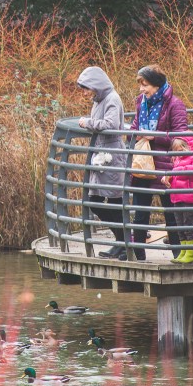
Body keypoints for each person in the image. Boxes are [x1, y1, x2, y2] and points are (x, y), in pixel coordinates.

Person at [129, 65, 188, 260]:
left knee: (170, 213)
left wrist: (154, 137)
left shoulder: (174, 104)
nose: (141, 90)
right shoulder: (141, 102)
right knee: (140, 212)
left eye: (144, 85)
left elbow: (181, 136)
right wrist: (135, 134)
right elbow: (135, 125)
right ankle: (137, 257)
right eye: (140, 86)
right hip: (142, 162)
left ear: (156, 84)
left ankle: (177, 254)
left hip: (165, 165)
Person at [76, 66, 127, 260]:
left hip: (112, 156)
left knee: (115, 200)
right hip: (101, 156)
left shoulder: (112, 99)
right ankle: (121, 240)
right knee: (94, 201)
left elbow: (111, 125)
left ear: (96, 85)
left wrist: (87, 123)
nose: (85, 92)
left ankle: (123, 243)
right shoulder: (98, 101)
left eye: (87, 88)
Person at [161, 137, 193, 264]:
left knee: (188, 225)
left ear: (188, 145)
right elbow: (176, 174)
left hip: (190, 197)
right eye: (175, 148)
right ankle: (184, 250)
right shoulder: (177, 160)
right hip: (177, 197)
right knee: (180, 225)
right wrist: (168, 178)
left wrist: (175, 171)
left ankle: (190, 253)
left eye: (180, 147)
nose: (178, 150)